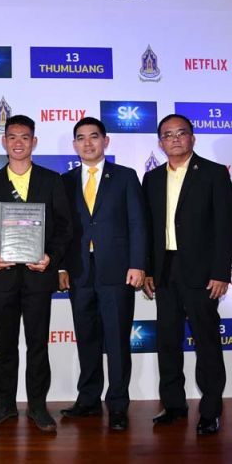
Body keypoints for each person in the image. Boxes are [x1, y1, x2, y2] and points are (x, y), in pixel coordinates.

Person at [0, 115, 73, 433]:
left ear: (34, 142)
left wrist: (51, 258)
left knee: (37, 344)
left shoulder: (51, 180)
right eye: (12, 137)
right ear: (4, 141)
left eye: (25, 137)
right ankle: (5, 405)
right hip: (3, 277)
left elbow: (64, 228)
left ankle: (38, 406)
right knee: (5, 345)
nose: (18, 143)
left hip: (38, 276)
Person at [141, 114, 232, 436]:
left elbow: (225, 227)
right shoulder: (152, 178)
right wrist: (149, 269)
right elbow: (148, 229)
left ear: (192, 138)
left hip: (202, 273)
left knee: (207, 342)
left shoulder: (214, 174)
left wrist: (221, 272)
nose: (175, 139)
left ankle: (210, 410)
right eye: (168, 135)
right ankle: (174, 405)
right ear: (160, 142)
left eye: (181, 133)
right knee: (167, 341)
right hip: (164, 270)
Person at [58, 117, 146, 431]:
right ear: (74, 145)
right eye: (81, 138)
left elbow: (138, 223)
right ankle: (89, 400)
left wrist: (138, 264)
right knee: (87, 337)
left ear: (105, 141)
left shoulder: (125, 176)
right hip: (79, 270)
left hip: (118, 270)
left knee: (117, 340)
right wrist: (62, 266)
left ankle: (118, 405)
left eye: (94, 136)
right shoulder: (65, 181)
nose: (88, 143)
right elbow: (61, 229)